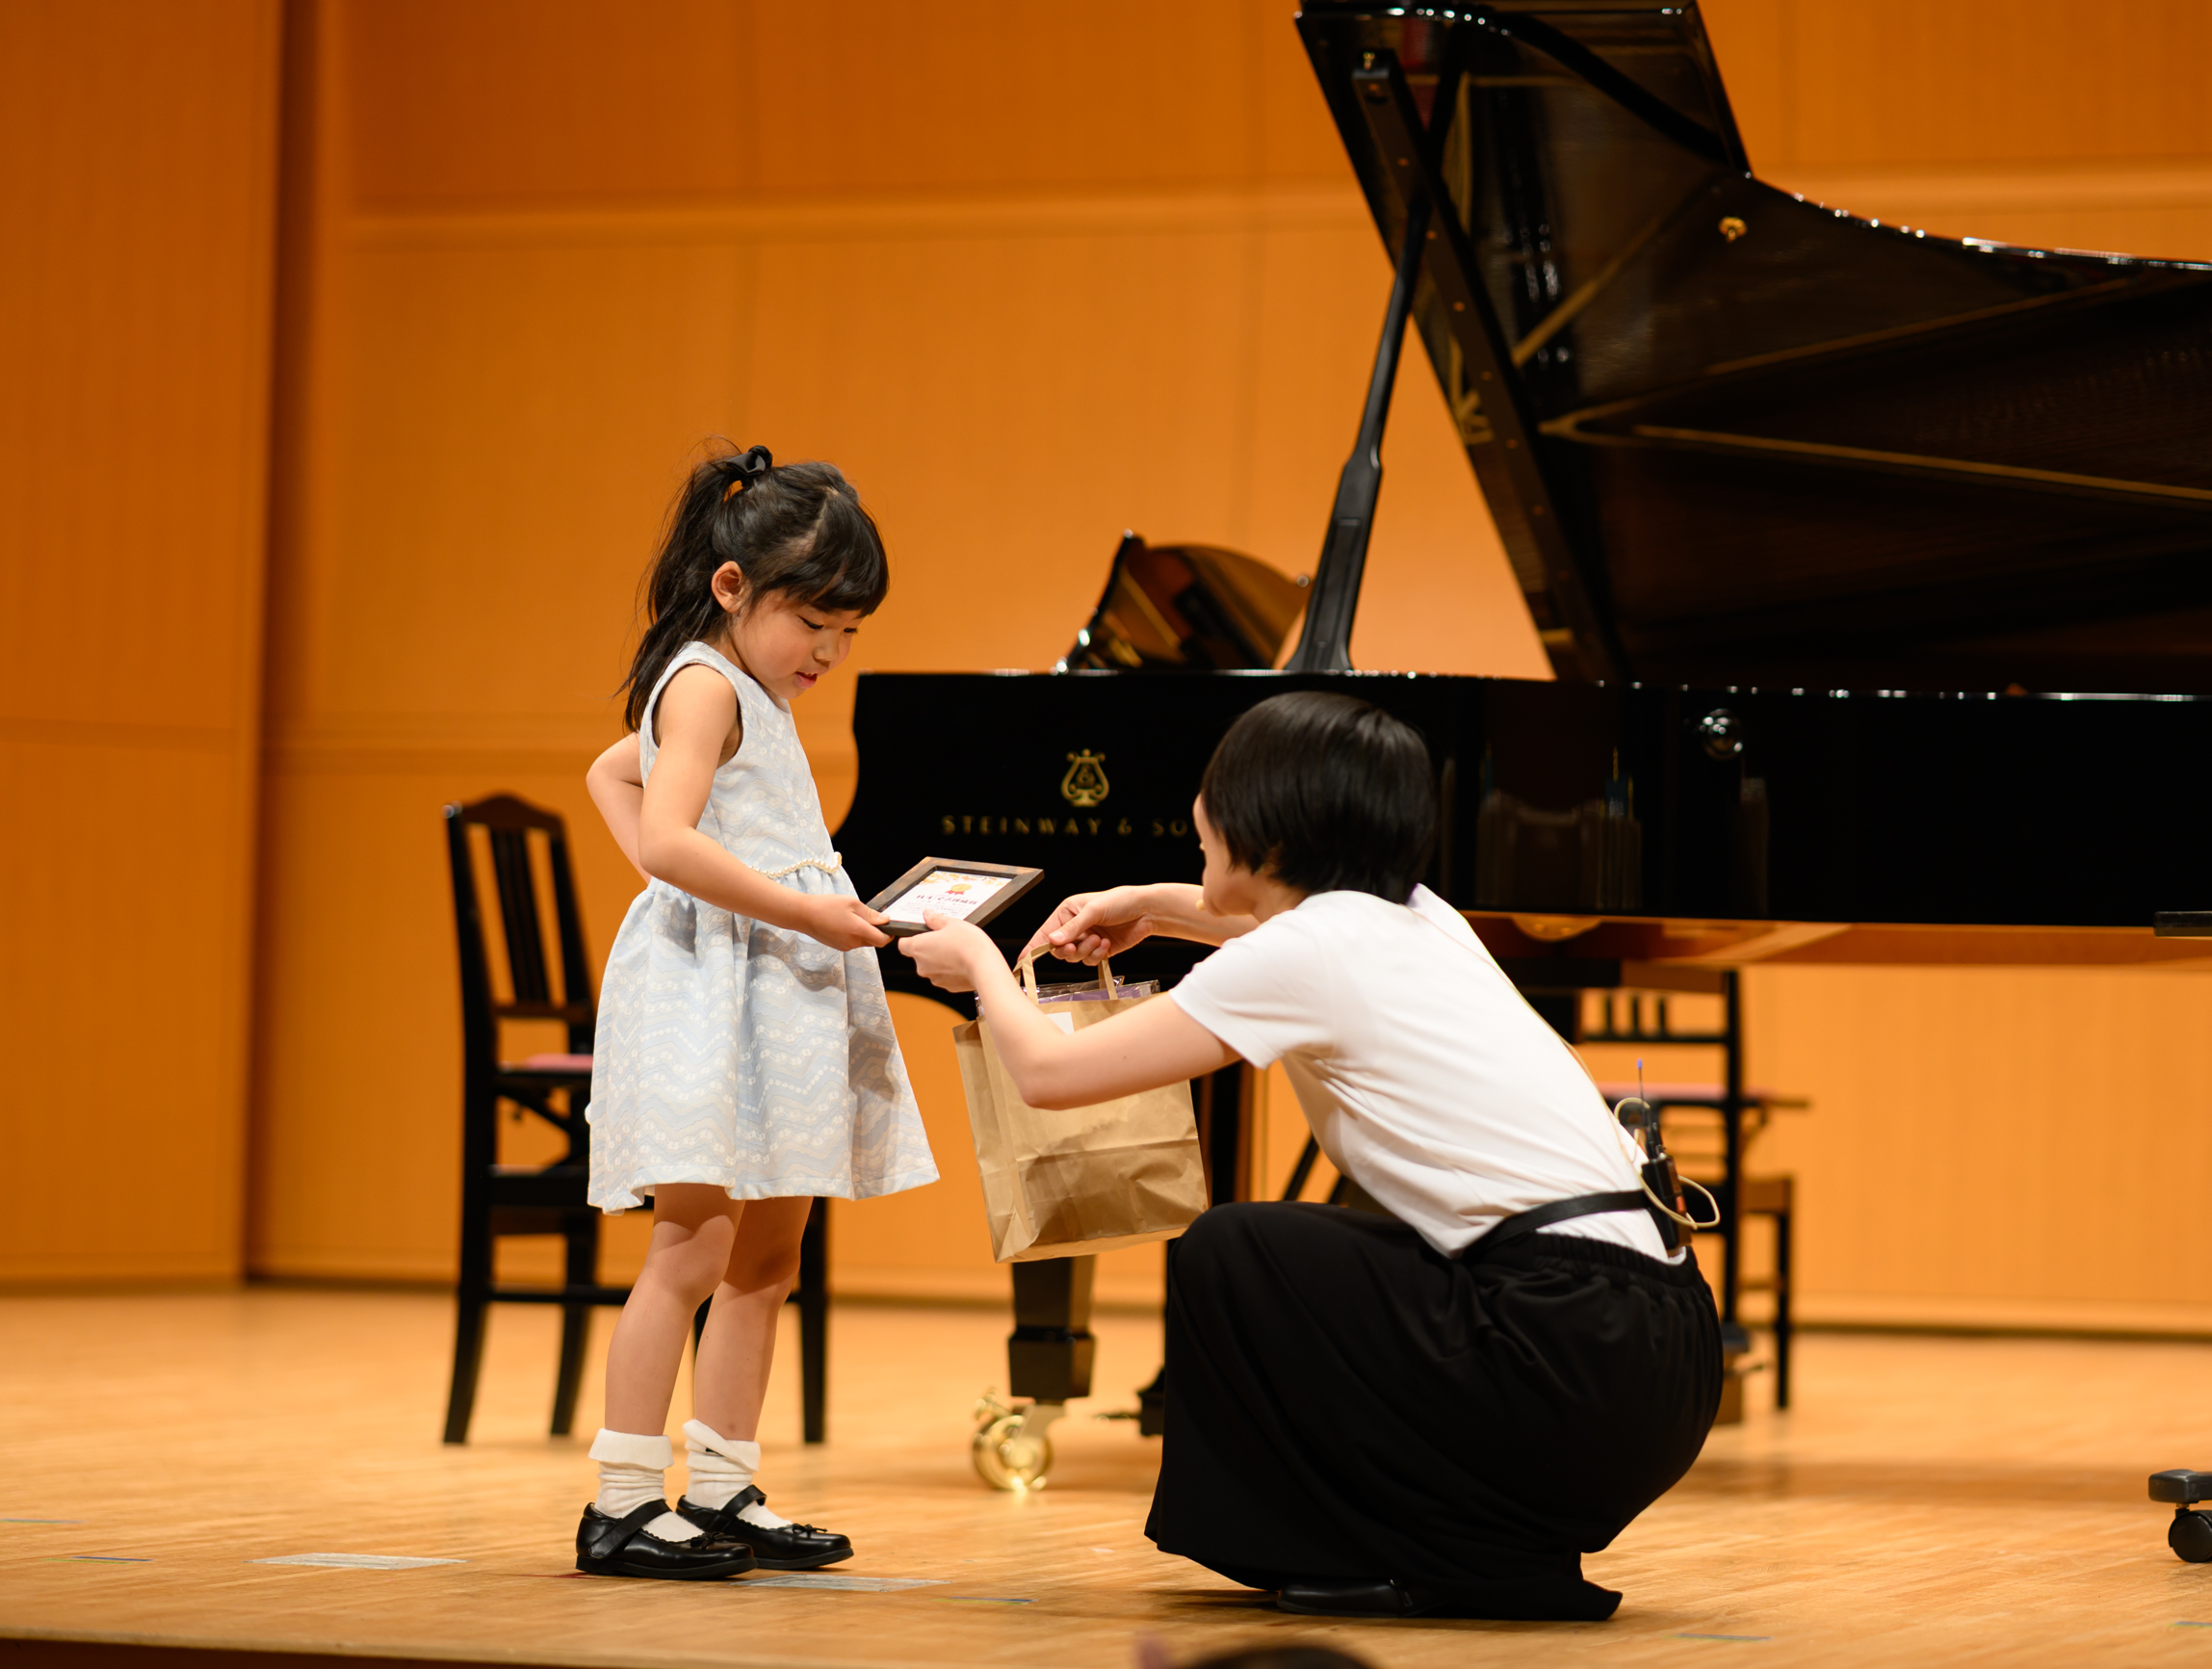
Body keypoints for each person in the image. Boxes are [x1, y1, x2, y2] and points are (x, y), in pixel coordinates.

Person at [899, 691, 1722, 1622]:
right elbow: (1271, 933)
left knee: (1238, 1252)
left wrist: (976, 961)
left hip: (1568, 1356)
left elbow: (1047, 1072)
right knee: (1301, 1252)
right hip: (1656, 1353)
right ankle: (1477, 1551)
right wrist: (1152, 908)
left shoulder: (1312, 950)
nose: (1198, 816)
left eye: (1214, 795)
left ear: (1268, 821)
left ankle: (1438, 1559)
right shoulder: (1418, 913)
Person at [573, 444, 935, 1579]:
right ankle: (623, 1496)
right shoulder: (702, 680)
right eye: (811, 621)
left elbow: (607, 774)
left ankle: (723, 1482)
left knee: (769, 1249)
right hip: (713, 991)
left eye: (849, 632)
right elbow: (670, 831)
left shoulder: (752, 689)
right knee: (692, 1242)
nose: (827, 650)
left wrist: (727, 893)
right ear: (733, 588)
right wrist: (774, 903)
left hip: (767, 984)